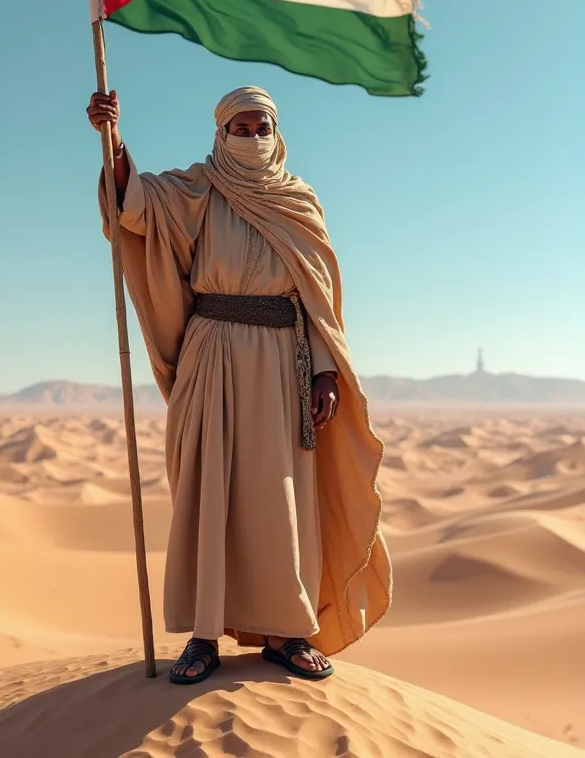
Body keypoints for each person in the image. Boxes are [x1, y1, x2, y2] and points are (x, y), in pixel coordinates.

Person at [88, 85, 392, 685]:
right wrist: (113, 139)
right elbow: (134, 205)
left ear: (277, 134)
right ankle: (203, 636)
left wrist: (327, 370)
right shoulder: (198, 187)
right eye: (240, 129)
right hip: (213, 354)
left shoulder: (298, 199)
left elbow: (319, 295)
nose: (252, 139)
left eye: (261, 128)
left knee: (280, 497)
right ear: (220, 134)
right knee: (209, 486)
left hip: (284, 363)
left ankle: (287, 632)